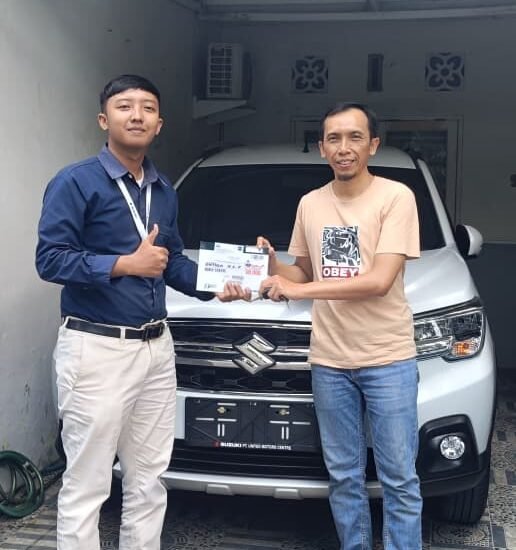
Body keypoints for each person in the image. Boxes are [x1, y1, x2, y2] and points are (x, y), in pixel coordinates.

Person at [36, 74, 249, 550]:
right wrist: (123, 264)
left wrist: (219, 286)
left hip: (156, 349)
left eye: (147, 108)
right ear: (103, 120)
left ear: (159, 123)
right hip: (97, 348)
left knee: (150, 479)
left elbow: (171, 262)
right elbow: (49, 260)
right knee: (88, 483)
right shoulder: (75, 182)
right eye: (125, 106)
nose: (137, 116)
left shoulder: (163, 189)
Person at [257, 102, 422, 550]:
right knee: (344, 476)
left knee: (399, 478)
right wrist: (272, 266)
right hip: (329, 361)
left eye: (354, 138)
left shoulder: (396, 197)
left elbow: (378, 281)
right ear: (322, 147)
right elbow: (302, 272)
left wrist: (297, 289)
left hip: (388, 359)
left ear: (373, 145)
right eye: (333, 138)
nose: (343, 148)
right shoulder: (311, 203)